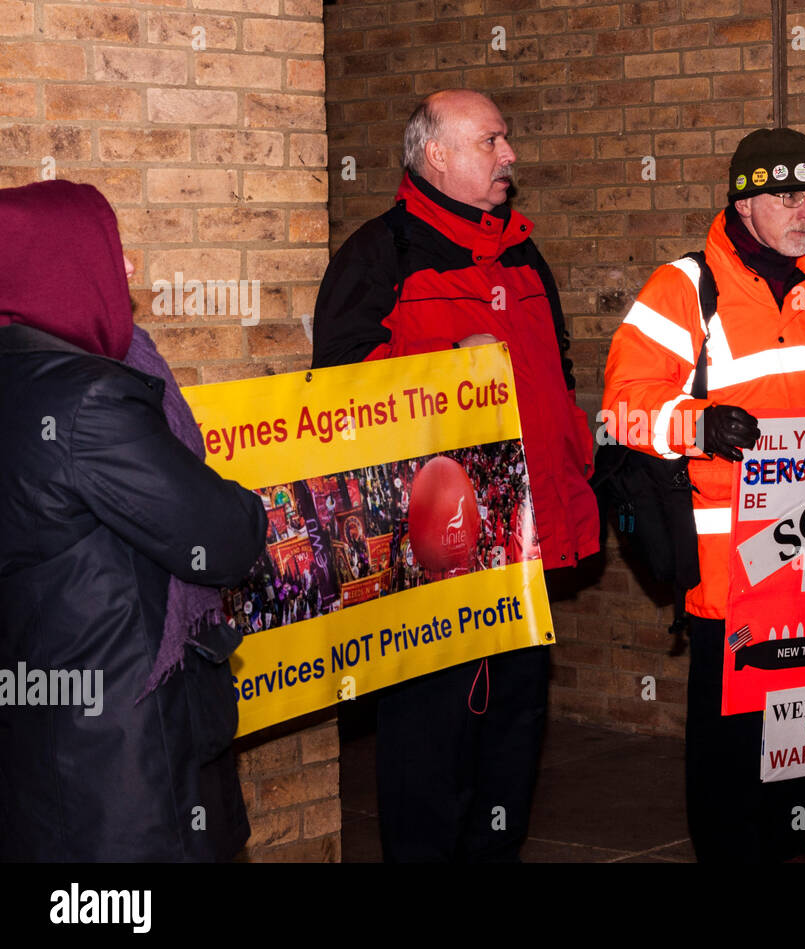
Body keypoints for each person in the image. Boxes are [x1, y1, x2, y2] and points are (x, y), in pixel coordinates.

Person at [603, 128, 805, 862]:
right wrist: (700, 423)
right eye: (786, 195)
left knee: (798, 732)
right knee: (729, 746)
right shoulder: (684, 287)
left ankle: (788, 851)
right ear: (744, 201)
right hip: (729, 576)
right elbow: (622, 411)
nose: (803, 208)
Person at [312, 88, 599, 862]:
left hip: (523, 554)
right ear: (435, 155)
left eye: (506, 141)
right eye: (492, 141)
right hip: (430, 569)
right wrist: (444, 369)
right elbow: (337, 397)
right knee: (429, 754)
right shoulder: (380, 257)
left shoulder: (523, 254)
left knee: (513, 737)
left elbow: (553, 382)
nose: (511, 156)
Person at [0, 180, 267, 861]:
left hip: (43, 744)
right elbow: (224, 538)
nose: (128, 270)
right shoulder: (90, 402)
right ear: (63, 266)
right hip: (121, 762)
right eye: (110, 251)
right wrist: (246, 505)